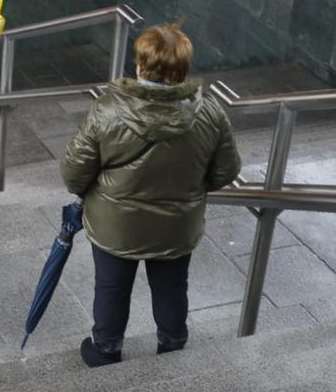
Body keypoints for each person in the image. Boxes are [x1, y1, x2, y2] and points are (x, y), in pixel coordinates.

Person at [59, 21, 241, 367]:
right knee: (172, 288)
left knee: (111, 288)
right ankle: (172, 344)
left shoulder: (108, 110)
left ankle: (105, 349)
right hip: (177, 224)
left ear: (140, 66)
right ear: (183, 69)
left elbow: (73, 173)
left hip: (115, 225)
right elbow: (225, 171)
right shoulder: (210, 112)